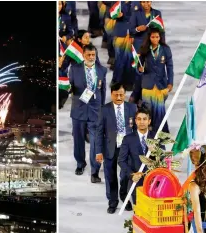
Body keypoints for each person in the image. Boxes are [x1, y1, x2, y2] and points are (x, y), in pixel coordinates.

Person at [95, 82, 137, 214]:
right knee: (110, 175)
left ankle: (124, 196)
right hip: (110, 147)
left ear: (125, 94)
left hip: (127, 148)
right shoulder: (105, 109)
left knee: (126, 175)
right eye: (116, 95)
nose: (119, 97)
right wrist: (98, 151)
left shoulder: (132, 108)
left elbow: (136, 129)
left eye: (121, 94)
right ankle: (112, 201)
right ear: (111, 94)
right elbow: (99, 131)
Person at [69, 44, 107, 182]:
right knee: (78, 139)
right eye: (88, 55)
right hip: (79, 109)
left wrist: (102, 109)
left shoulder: (102, 70)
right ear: (83, 55)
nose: (91, 57)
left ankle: (95, 171)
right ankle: (80, 163)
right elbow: (70, 87)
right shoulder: (74, 69)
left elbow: (103, 91)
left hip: (95, 110)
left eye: (93, 55)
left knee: (96, 142)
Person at [132, 28, 173, 133]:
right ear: (149, 38)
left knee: (160, 113)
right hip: (147, 86)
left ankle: (160, 138)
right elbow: (138, 67)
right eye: (153, 37)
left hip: (160, 86)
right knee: (148, 113)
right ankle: (148, 137)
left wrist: (170, 82)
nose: (155, 39)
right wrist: (140, 70)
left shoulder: (165, 49)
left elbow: (169, 67)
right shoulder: (144, 49)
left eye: (157, 37)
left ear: (160, 37)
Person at [118, 107, 155, 208]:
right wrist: (131, 175)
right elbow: (121, 161)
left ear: (149, 121)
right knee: (139, 212)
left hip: (153, 182)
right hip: (137, 182)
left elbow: (163, 158)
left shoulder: (156, 138)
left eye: (144, 119)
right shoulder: (128, 139)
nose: (142, 122)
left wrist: (156, 152)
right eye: (139, 119)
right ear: (135, 121)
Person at [110, 1, 134, 90]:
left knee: (130, 59)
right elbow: (110, 11)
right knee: (119, 59)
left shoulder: (137, 3)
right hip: (120, 34)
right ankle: (117, 81)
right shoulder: (117, 3)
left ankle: (129, 83)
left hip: (133, 34)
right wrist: (116, 15)